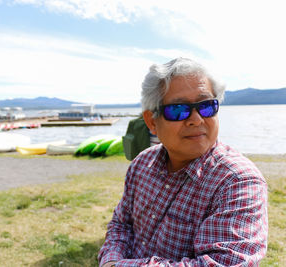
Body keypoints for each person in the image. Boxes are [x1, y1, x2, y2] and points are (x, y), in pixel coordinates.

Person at [98, 58, 268, 266]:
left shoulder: (237, 181)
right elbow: (121, 224)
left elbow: (225, 262)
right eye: (178, 109)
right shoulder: (141, 164)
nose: (196, 119)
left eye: (206, 106)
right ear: (152, 122)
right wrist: (110, 260)